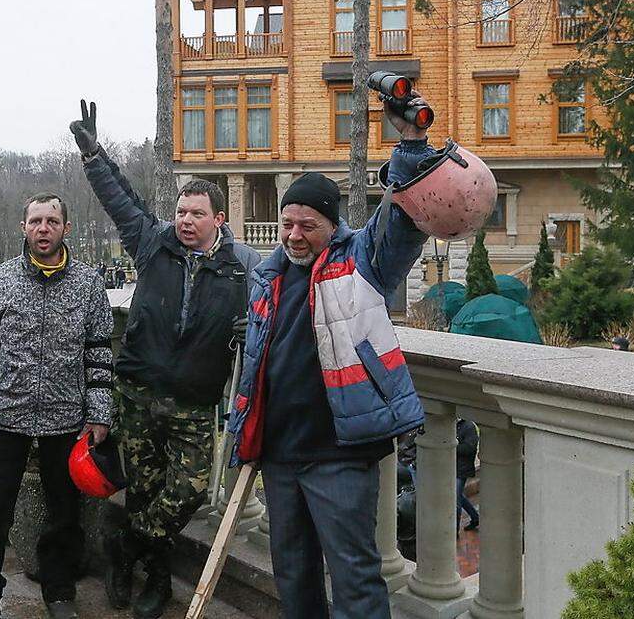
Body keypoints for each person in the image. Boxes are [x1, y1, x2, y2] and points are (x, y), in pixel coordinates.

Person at [226, 97, 436, 619]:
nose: (295, 234)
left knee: (354, 578)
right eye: (287, 223)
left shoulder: (362, 261)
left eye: (307, 225)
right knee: (293, 576)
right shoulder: (267, 276)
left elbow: (403, 222)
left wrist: (410, 145)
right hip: (278, 452)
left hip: (339, 453)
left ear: (332, 225)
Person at [70, 100, 260, 619]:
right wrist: (94, 156)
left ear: (219, 219)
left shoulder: (241, 271)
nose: (185, 220)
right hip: (138, 395)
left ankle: (126, 546)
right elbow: (121, 202)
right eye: (181, 211)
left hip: (193, 404)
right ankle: (153, 576)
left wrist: (251, 326)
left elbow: (274, 311)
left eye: (196, 213)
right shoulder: (154, 245)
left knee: (192, 489)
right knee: (144, 488)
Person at [0, 194, 114, 619]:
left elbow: (98, 352)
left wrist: (99, 412)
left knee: (64, 513)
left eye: (52, 221)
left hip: (65, 418)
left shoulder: (87, 284)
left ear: (66, 228)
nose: (43, 228)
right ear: (22, 227)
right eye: (35, 221)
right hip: (5, 415)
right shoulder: (0, 280)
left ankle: (60, 590)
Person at [456, 418, 480, 533]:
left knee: (455, 500)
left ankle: (453, 531)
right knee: (459, 495)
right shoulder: (451, 424)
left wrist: (451, 445)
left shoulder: (468, 426)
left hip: (461, 469)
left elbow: (470, 448)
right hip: (451, 467)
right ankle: (475, 517)